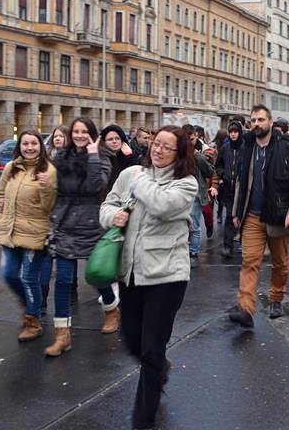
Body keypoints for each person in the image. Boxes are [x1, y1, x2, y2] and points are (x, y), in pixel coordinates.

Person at [100, 125, 198, 430]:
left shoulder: (186, 184)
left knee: (151, 349)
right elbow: (107, 204)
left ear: (179, 154)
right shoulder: (131, 174)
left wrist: (140, 179)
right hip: (131, 272)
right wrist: (112, 216)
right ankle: (159, 369)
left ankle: (142, 421)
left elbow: (162, 205)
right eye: (156, 144)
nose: (158, 150)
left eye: (166, 147)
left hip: (167, 276)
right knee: (132, 340)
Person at [228, 105, 289, 326]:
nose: (256, 124)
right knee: (249, 262)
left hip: (278, 214)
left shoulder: (287, 147)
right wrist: (236, 211)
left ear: (270, 122)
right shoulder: (248, 146)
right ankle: (245, 308)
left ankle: (276, 298)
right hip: (252, 215)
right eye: (253, 120)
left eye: (261, 119)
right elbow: (241, 181)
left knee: (280, 263)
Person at [47, 117, 115, 355]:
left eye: (84, 131)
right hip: (65, 224)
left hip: (91, 225)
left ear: (92, 134)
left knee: (96, 276)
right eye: (75, 131)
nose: (79, 135)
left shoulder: (102, 157)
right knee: (63, 281)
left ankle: (111, 308)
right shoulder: (61, 157)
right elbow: (58, 189)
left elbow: (95, 187)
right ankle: (62, 335)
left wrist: (93, 155)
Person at [0, 131, 57, 342]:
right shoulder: (11, 167)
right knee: (8, 274)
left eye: (34, 144)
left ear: (41, 146)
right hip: (9, 230)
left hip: (34, 233)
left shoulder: (49, 170)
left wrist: (46, 188)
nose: (29, 148)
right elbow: (1, 192)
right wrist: (0, 216)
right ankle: (28, 302)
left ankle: (33, 320)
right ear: (19, 146)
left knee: (30, 278)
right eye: (25, 144)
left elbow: (49, 207)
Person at [41, 125, 70, 310]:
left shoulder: (72, 159)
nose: (58, 138)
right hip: (48, 217)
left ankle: (70, 291)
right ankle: (42, 298)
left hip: (66, 217)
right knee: (46, 258)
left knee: (65, 262)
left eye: (61, 136)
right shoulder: (46, 159)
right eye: (55, 136)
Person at [183, 124, 217, 267]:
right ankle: (184, 251)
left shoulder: (205, 150)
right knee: (182, 224)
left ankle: (193, 253)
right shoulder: (179, 150)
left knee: (195, 224)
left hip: (198, 192)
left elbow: (210, 171)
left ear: (196, 136)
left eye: (191, 139)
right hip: (181, 191)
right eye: (186, 140)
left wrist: (198, 156)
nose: (189, 143)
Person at [216, 120, 244, 259]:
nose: (233, 134)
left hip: (242, 189)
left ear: (240, 132)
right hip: (228, 189)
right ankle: (227, 247)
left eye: (235, 131)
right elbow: (218, 164)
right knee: (229, 216)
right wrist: (222, 175)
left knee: (242, 217)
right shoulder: (225, 148)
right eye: (231, 132)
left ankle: (244, 244)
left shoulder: (245, 147)